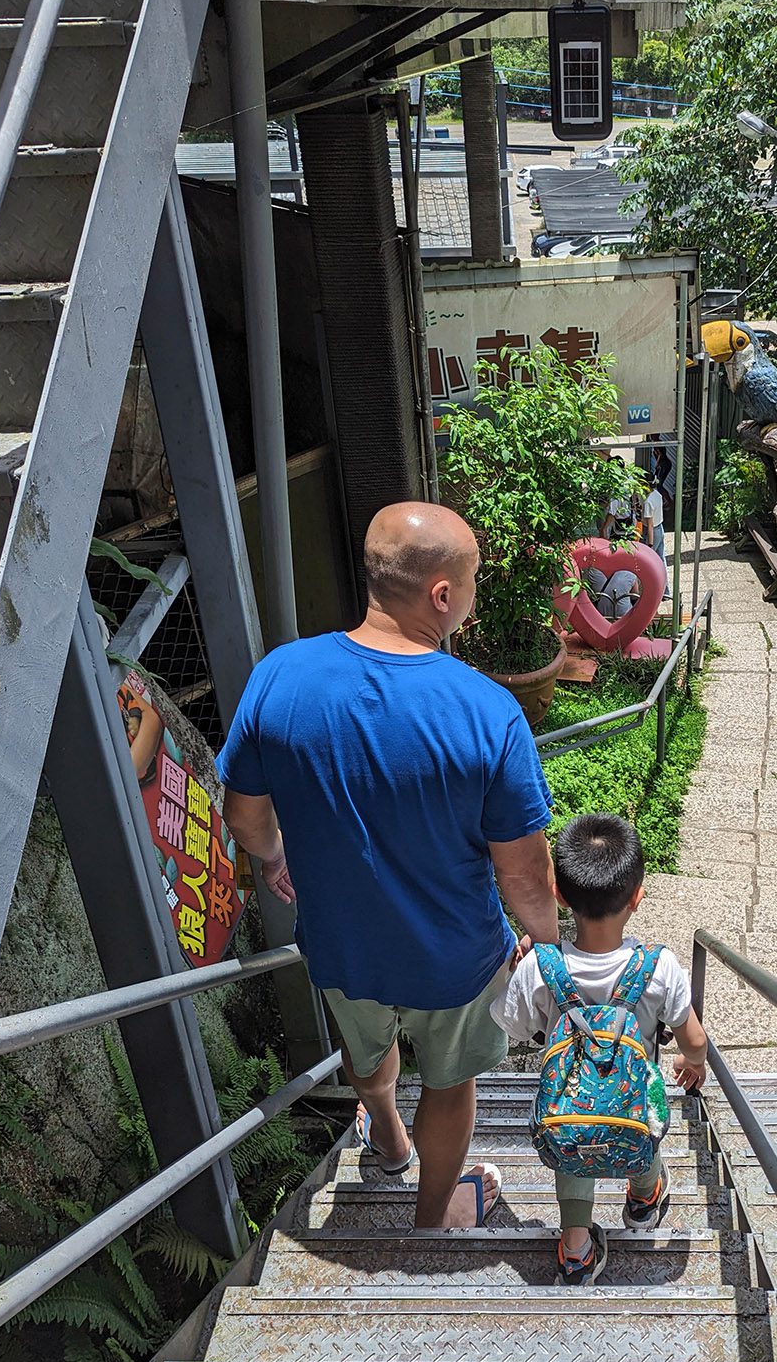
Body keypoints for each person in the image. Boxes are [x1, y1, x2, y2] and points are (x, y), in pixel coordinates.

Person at [218, 502, 559, 1230]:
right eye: (470, 582)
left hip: (341, 942)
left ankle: (389, 1140)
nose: (470, 597)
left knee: (365, 1044)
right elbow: (525, 878)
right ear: (442, 595)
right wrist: (552, 945)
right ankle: (432, 1219)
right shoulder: (487, 712)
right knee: (451, 1078)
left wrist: (276, 858)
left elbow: (245, 817)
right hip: (457, 956)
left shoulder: (281, 676)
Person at [492, 814, 710, 1284]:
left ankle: (575, 1249)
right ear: (637, 896)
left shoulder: (541, 967)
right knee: (642, 1131)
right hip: (634, 1101)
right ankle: (643, 1199)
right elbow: (693, 1038)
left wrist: (524, 972)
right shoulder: (660, 967)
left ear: (561, 896)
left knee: (574, 1145)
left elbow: (512, 1026)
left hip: (567, 1103)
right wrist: (693, 1062)